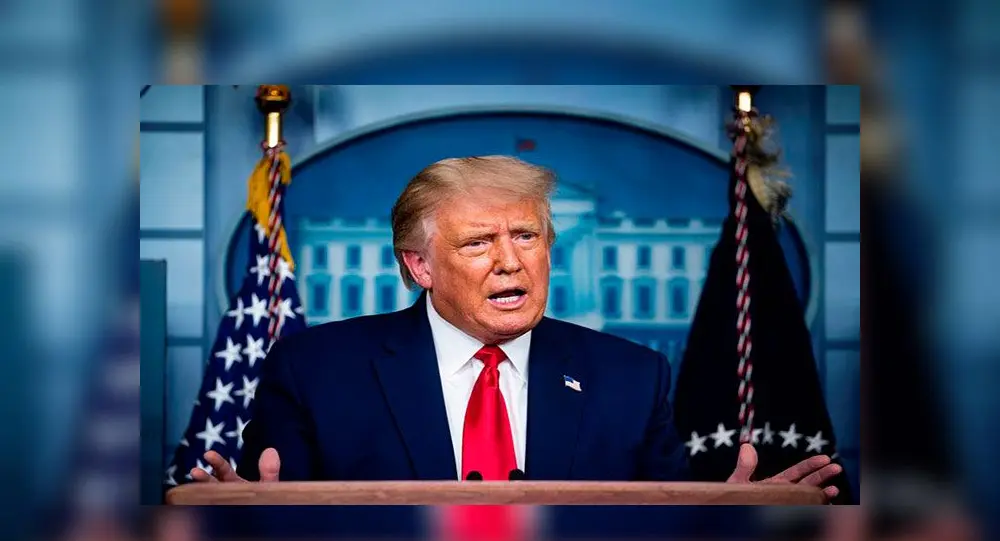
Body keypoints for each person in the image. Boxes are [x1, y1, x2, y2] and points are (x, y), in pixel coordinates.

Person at [191, 155, 841, 499]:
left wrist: (723, 519)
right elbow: (279, 529)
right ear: (418, 264)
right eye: (479, 243)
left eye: (528, 235)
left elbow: (661, 534)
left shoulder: (630, 377)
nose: (511, 261)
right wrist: (250, 517)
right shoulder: (314, 370)